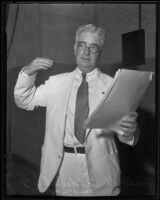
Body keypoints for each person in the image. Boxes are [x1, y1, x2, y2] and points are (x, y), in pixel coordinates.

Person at [14, 24, 139, 196]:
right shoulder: (56, 83)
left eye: (93, 47)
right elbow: (24, 100)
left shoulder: (113, 86)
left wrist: (129, 131)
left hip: (101, 166)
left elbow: (126, 134)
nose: (86, 52)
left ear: (100, 53)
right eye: (82, 45)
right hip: (65, 164)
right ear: (75, 48)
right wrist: (28, 72)